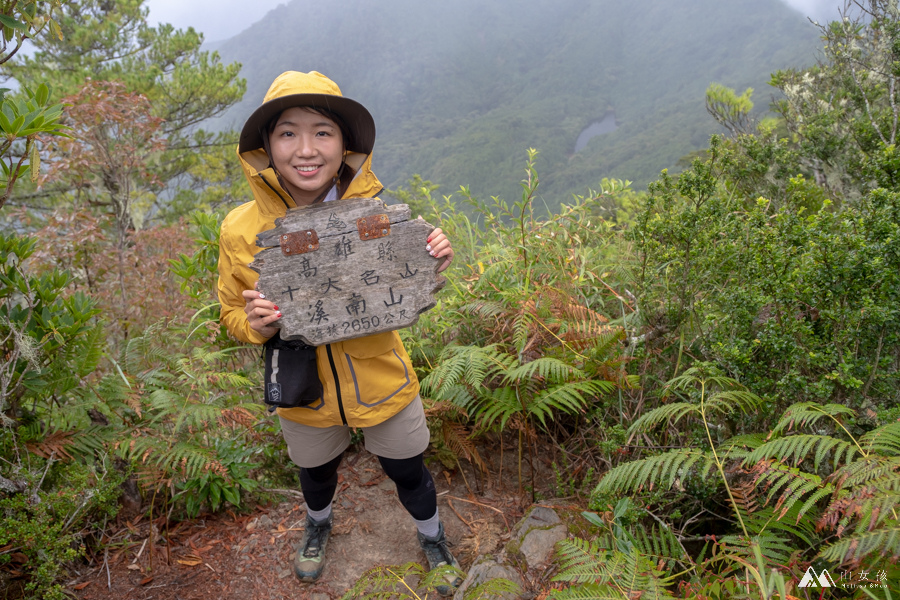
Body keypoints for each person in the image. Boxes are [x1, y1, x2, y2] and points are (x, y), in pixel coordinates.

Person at [216, 70, 461, 594]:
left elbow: (402, 285)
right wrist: (255, 325)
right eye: (287, 132)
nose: (306, 149)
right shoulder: (240, 229)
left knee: (408, 470)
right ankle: (318, 524)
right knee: (316, 473)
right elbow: (230, 314)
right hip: (303, 389)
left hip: (381, 376)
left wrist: (430, 258)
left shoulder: (372, 216)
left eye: (322, 131)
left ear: (345, 144)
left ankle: (432, 534)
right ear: (265, 147)